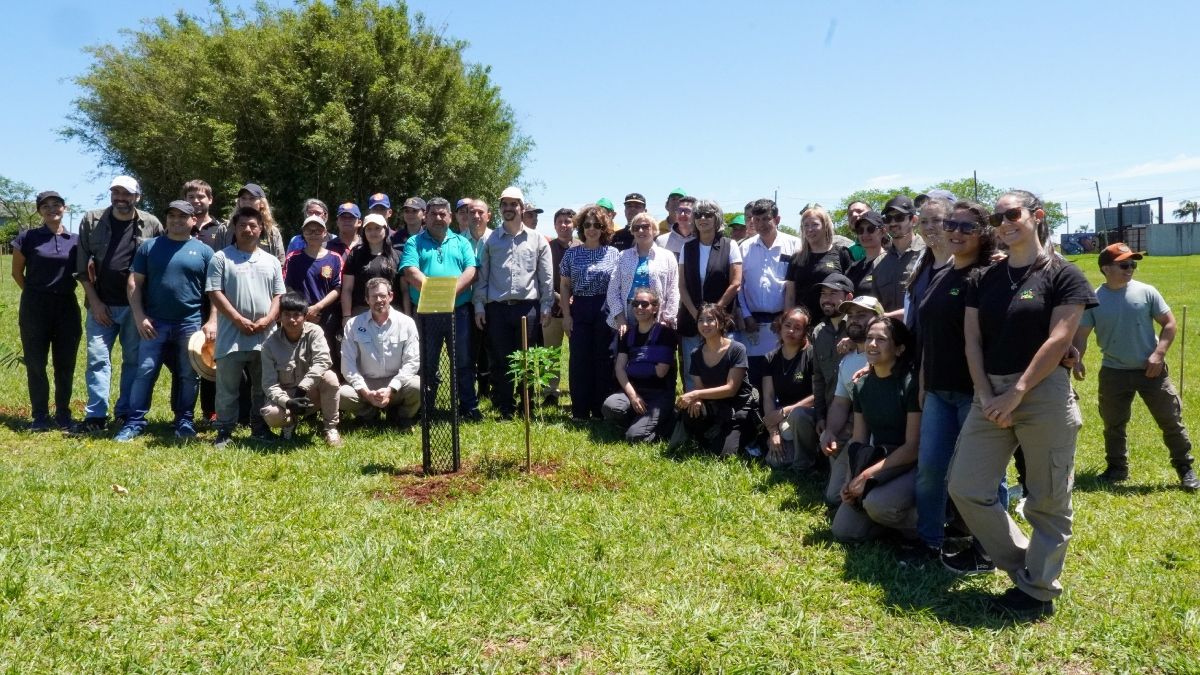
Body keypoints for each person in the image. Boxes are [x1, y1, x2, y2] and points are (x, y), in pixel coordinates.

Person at [947, 190, 1097, 619]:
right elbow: (972, 340)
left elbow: (1059, 339)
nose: (1004, 223)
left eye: (1012, 214)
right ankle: (1025, 565)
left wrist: (1018, 393)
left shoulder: (1064, 275)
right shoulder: (983, 280)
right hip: (989, 394)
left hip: (1043, 393)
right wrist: (987, 393)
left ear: (1036, 216)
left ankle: (1037, 592)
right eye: (997, 218)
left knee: (1047, 500)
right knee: (966, 488)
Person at [910, 200, 998, 564]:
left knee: (986, 476)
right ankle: (929, 539)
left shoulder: (990, 275)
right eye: (952, 225)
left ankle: (989, 546)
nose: (956, 232)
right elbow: (929, 335)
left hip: (974, 393)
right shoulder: (940, 271)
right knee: (930, 468)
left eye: (967, 227)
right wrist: (923, 382)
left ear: (983, 235)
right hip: (937, 391)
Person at [1072, 243, 1197, 491]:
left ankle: (1185, 468)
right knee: (1113, 424)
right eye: (1124, 264)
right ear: (1106, 268)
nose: (1130, 269)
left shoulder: (1147, 292)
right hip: (1113, 373)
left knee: (1170, 420)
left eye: (1133, 264)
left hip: (1151, 371)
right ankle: (1117, 468)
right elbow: (1082, 335)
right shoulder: (1094, 299)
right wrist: (1077, 359)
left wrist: (1159, 354)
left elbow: (1169, 324)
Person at [72, 175, 164, 434]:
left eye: (126, 194)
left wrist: (145, 310)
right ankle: (96, 416)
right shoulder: (92, 220)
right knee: (97, 359)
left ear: (137, 197)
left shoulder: (152, 224)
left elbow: (158, 265)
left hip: (136, 308)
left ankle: (124, 413)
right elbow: (81, 267)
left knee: (133, 361)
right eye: (116, 193)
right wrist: (96, 303)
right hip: (101, 306)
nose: (120, 198)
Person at [116, 199, 215, 441]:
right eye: (172, 215)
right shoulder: (149, 247)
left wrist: (213, 321)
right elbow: (134, 284)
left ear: (193, 221)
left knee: (187, 375)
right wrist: (139, 317)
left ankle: (184, 421)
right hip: (154, 323)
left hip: (189, 324)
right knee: (146, 371)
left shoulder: (204, 252)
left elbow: (215, 292)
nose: (177, 220)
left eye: (183, 216)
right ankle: (134, 422)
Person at [830, 316, 921, 543]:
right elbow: (858, 441)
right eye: (870, 338)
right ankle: (889, 523)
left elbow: (913, 448)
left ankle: (930, 527)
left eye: (881, 340)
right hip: (880, 458)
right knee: (843, 530)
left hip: (910, 463)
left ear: (899, 349)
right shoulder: (861, 385)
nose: (872, 344)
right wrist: (850, 480)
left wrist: (866, 475)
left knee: (877, 504)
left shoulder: (911, 384)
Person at [206, 206, 286, 447]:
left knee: (262, 387)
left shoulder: (271, 261)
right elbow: (214, 291)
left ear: (261, 229)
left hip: (265, 336)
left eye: (253, 225)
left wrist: (268, 319)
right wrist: (238, 319)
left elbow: (278, 296)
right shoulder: (221, 258)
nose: (248, 230)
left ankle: (259, 429)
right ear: (234, 228)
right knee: (227, 388)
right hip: (232, 335)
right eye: (243, 225)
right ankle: (224, 431)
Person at [473, 187, 554, 419]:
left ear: (521, 207)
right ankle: (504, 406)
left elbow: (546, 277)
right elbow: (483, 276)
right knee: (500, 359)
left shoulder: (538, 240)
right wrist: (479, 306)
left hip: (527, 308)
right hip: (497, 309)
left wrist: (546, 305)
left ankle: (526, 406)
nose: (508, 209)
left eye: (513, 204)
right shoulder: (490, 241)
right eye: (504, 204)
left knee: (527, 359)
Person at [400, 197, 481, 421]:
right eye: (433, 214)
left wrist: (449, 292)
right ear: (425, 216)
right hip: (427, 311)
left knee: (463, 361)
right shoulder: (413, 242)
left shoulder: (461, 242)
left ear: (450, 216)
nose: (438, 218)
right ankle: (427, 408)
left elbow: (472, 270)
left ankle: (468, 407)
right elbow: (409, 270)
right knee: (427, 362)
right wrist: (436, 293)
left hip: (460, 311)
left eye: (442, 214)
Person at [12, 190, 81, 431]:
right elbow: (16, 273)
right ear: (39, 211)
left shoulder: (76, 240)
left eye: (57, 204)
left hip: (66, 306)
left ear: (65, 208)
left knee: (65, 363)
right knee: (35, 363)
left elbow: (84, 272)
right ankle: (40, 415)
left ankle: (63, 413)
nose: (52, 209)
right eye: (46, 206)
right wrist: (35, 293)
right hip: (34, 307)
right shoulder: (27, 238)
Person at [819, 296, 884, 507]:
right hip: (858, 437)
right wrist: (830, 432)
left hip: (886, 440)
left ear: (878, 319)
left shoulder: (888, 354)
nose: (854, 320)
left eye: (862, 315)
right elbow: (840, 403)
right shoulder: (846, 360)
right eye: (851, 315)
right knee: (834, 497)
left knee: (861, 499)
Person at [673, 303, 758, 457]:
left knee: (723, 455)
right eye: (701, 320)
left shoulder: (737, 349)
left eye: (710, 320)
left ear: (721, 323)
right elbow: (699, 387)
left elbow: (731, 389)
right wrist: (697, 399)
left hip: (736, 408)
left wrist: (695, 394)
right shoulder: (695, 353)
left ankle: (744, 434)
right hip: (714, 407)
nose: (705, 324)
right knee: (690, 410)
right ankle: (710, 433)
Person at [560, 205, 620, 420]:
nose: (592, 229)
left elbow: (618, 287)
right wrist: (567, 316)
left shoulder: (614, 254)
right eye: (587, 225)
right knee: (579, 360)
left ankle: (601, 410)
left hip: (606, 307)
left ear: (604, 228)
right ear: (581, 228)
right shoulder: (571, 253)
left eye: (597, 225)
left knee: (603, 359)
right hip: (580, 308)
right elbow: (565, 286)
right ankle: (580, 411)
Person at [260, 293, 343, 446]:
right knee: (271, 414)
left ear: (305, 316)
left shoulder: (315, 332)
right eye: (287, 314)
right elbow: (269, 384)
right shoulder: (268, 346)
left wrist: (303, 387)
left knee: (330, 378)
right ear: (279, 317)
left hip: (310, 392)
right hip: (287, 396)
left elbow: (324, 360)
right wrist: (288, 402)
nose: (292, 319)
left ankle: (330, 428)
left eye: (297, 315)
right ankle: (289, 424)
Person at [677, 199, 743, 392]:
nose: (702, 218)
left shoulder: (729, 245)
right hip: (691, 320)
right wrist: (697, 315)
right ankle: (692, 412)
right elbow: (682, 286)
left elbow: (736, 282)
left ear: (717, 218)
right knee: (692, 371)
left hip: (721, 319)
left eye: (708, 214)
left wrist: (715, 313)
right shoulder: (687, 248)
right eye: (698, 215)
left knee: (722, 369)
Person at [737, 198, 802, 391]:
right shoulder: (745, 247)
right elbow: (739, 286)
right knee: (755, 375)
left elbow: (797, 286)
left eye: (766, 219)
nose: (761, 224)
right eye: (756, 220)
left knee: (781, 374)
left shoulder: (795, 245)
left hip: (782, 322)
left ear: (777, 219)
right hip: (753, 324)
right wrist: (746, 316)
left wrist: (786, 319)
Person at [340, 278, 421, 423]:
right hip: (367, 384)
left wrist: (391, 389)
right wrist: (366, 392)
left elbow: (412, 362)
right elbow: (348, 365)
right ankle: (369, 414)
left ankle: (401, 416)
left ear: (391, 296)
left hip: (397, 383)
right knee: (341, 394)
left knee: (418, 386)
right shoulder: (353, 324)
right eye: (374, 296)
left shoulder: (407, 323)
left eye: (383, 295)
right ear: (367, 300)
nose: (379, 300)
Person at [603, 287, 679, 442]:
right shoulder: (628, 335)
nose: (639, 308)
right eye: (635, 304)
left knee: (634, 437)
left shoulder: (666, 334)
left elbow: (660, 372)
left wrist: (633, 366)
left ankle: (669, 422)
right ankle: (640, 421)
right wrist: (633, 396)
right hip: (636, 391)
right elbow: (619, 368)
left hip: (659, 394)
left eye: (644, 304)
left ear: (655, 308)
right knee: (610, 406)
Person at [283, 214, 343, 367]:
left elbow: (338, 288)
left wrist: (317, 308)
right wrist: (304, 311)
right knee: (299, 356)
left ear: (325, 233)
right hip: (298, 315)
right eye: (309, 231)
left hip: (327, 316)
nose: (314, 234)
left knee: (326, 357)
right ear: (303, 233)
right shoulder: (293, 258)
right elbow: (287, 286)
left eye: (318, 231)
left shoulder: (335, 258)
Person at [606, 212, 679, 334]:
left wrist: (667, 318)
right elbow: (613, 289)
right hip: (628, 312)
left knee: (653, 352)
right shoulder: (623, 256)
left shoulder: (667, 256)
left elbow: (673, 291)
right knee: (625, 352)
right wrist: (620, 317)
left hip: (657, 313)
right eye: (636, 228)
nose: (640, 230)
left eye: (645, 227)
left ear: (654, 230)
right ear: (632, 232)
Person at [762, 307, 817, 469]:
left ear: (805, 332)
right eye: (787, 325)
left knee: (798, 415)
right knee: (775, 461)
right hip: (782, 418)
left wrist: (785, 411)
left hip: (807, 415)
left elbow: (817, 395)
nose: (791, 330)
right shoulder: (770, 358)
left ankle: (806, 463)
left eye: (798, 328)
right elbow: (768, 396)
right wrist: (773, 432)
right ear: (780, 327)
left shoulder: (811, 355)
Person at [786, 204, 853, 322]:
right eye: (806, 225)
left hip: (832, 323)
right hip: (802, 323)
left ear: (825, 226)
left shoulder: (841, 253)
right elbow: (790, 296)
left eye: (815, 224)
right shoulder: (796, 258)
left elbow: (850, 290)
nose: (809, 229)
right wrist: (787, 320)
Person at [543, 207, 577, 405]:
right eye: (560, 222)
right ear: (555, 225)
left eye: (568, 221)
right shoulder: (547, 248)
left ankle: (577, 388)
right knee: (551, 353)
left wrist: (574, 300)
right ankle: (550, 392)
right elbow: (543, 280)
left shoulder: (582, 246)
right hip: (553, 309)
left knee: (577, 353)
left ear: (574, 224)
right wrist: (561, 299)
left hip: (577, 311)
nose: (564, 225)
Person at [871, 195, 926, 316]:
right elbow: (876, 306)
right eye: (888, 219)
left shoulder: (929, 254)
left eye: (899, 217)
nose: (893, 223)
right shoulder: (878, 262)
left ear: (914, 220)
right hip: (888, 332)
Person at [341, 214, 397, 319]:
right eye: (369, 229)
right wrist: (346, 316)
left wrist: (407, 314)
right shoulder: (355, 254)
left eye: (377, 228)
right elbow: (347, 289)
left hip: (391, 310)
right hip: (361, 311)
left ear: (385, 230)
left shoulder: (396, 255)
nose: (373, 232)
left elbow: (404, 290)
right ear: (364, 232)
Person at [218, 183, 286, 263]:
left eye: (252, 198)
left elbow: (280, 263)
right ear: (239, 202)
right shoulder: (225, 229)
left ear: (262, 203)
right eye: (243, 198)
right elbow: (217, 260)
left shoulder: (272, 232)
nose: (247, 202)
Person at [845, 210, 888, 299]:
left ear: (883, 231)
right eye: (860, 230)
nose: (865, 234)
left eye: (870, 229)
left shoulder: (891, 262)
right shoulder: (853, 268)